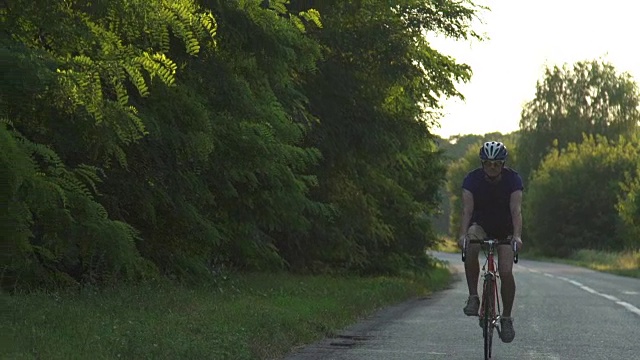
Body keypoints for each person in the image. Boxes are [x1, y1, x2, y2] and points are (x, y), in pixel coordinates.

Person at [457, 141, 523, 343]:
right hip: (481, 224)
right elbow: (467, 210)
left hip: (505, 228)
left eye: (496, 164)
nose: (492, 167)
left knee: (505, 271)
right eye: (488, 163)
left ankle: (506, 318)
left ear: (503, 164)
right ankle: (473, 297)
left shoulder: (513, 180)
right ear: (482, 163)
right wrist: (462, 235)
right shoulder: (472, 180)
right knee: (471, 242)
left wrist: (517, 236)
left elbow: (516, 211)